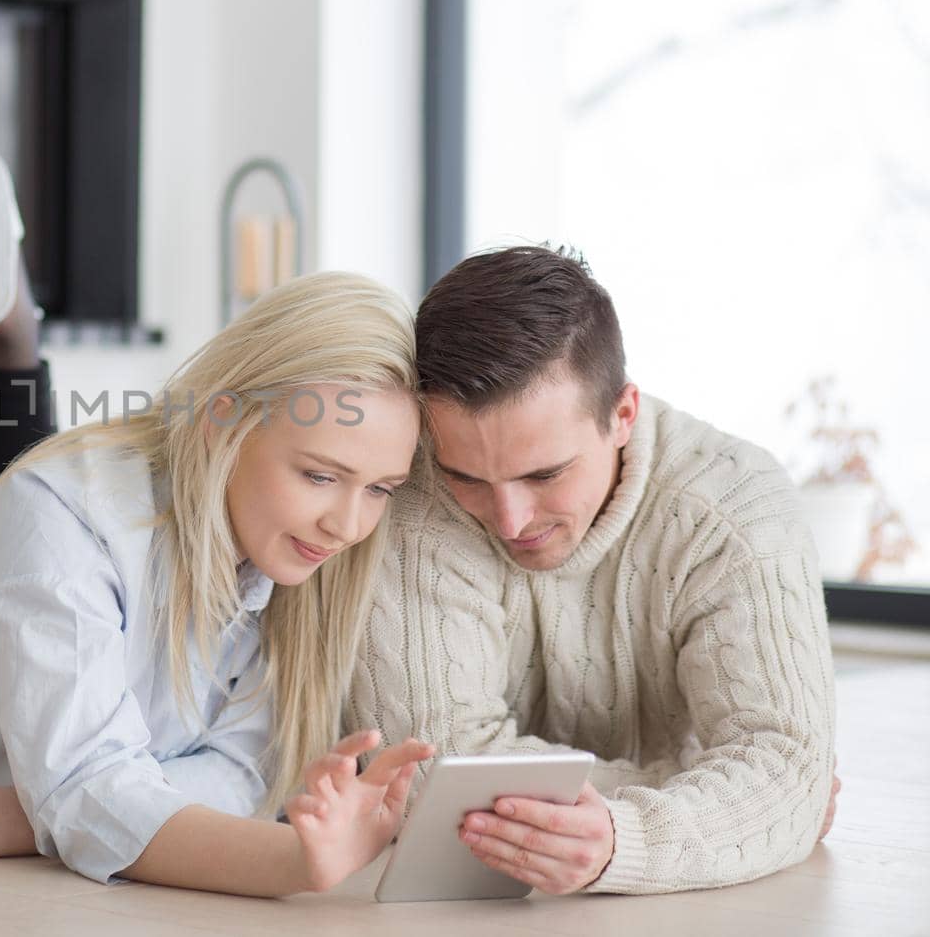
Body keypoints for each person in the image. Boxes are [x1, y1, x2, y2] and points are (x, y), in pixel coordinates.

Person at [0, 151, 431, 897]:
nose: (348, 523)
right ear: (221, 423)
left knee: (27, 513)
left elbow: (241, 770)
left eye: (380, 487)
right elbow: (91, 786)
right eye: (319, 474)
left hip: (39, 575)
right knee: (32, 505)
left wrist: (11, 818)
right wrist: (289, 861)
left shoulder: (301, 552)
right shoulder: (62, 514)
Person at [348, 245, 838, 896]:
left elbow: (785, 766)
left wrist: (620, 840)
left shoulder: (736, 508)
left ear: (623, 414)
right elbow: (430, 773)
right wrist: (712, 788)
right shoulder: (417, 491)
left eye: (544, 473)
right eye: (468, 476)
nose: (509, 519)